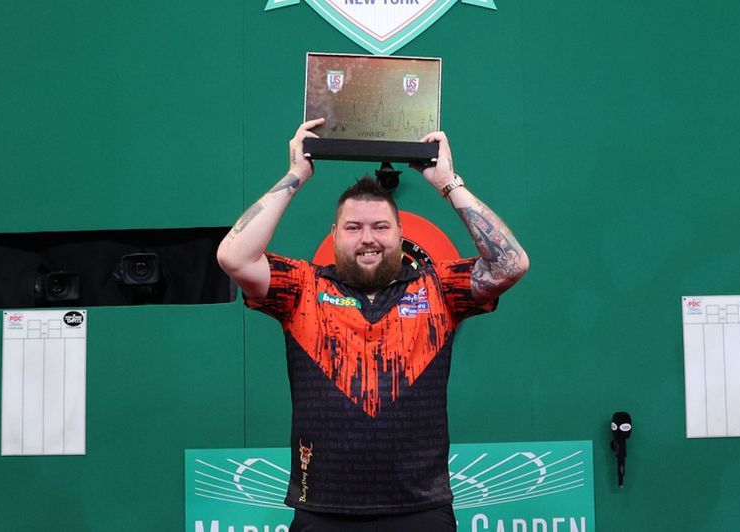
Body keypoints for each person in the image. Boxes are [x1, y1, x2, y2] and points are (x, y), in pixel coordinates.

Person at [216, 118, 529, 532]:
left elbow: (511, 264)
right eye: (354, 227)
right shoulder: (303, 288)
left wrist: (448, 183)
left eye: (381, 227)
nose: (368, 238)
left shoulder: (437, 287)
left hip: (420, 511)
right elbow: (233, 257)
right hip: (323, 511)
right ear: (335, 234)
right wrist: (296, 174)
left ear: (400, 235)